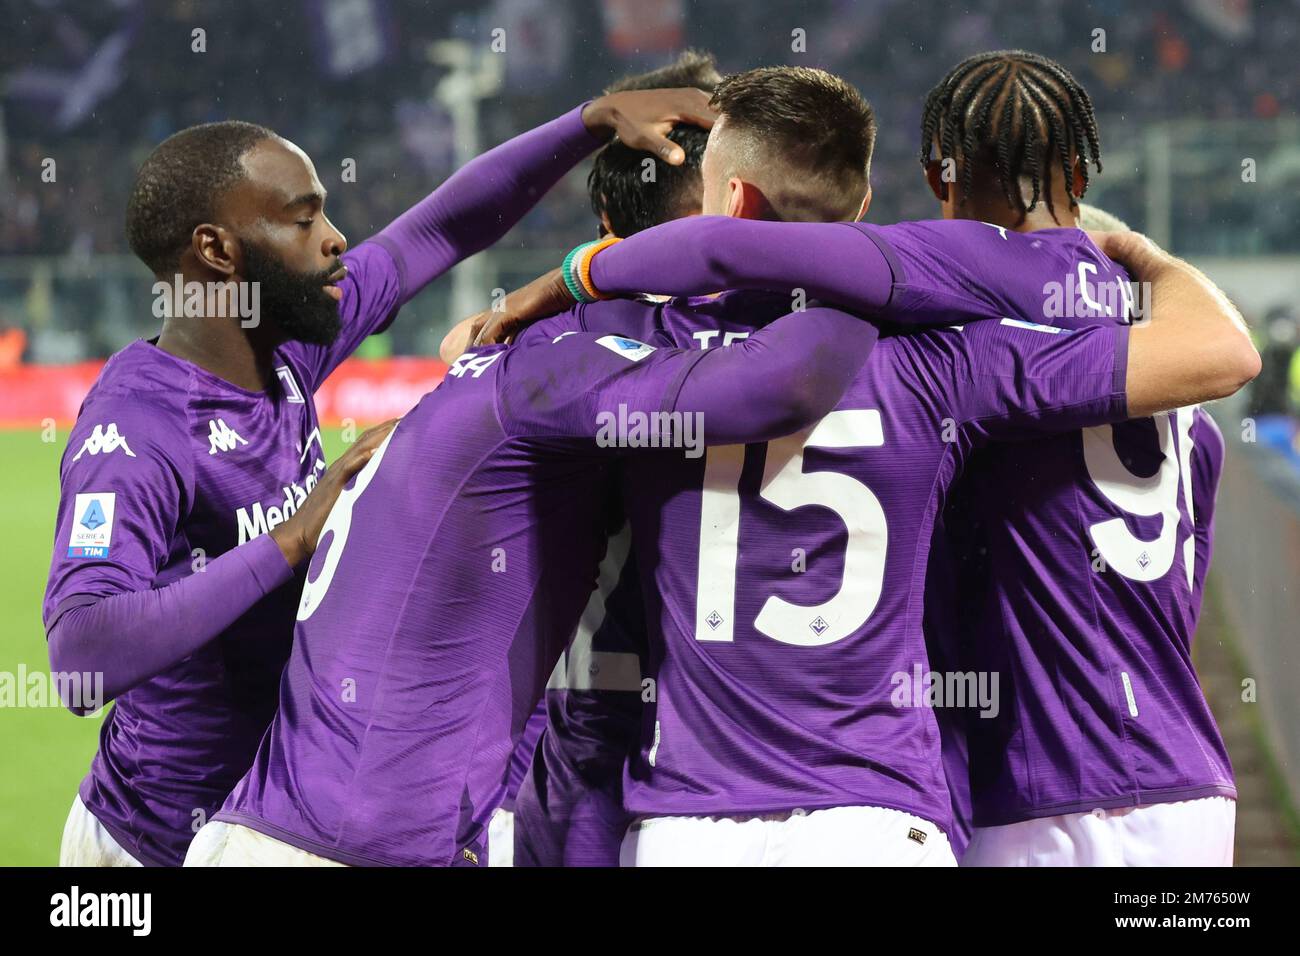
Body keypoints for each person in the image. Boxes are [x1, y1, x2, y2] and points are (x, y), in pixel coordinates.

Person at [478, 63, 1256, 865]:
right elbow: (1227, 354)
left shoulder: (923, 302)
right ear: (1082, 173)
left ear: (936, 176)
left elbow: (720, 249)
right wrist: (1151, 260)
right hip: (1173, 772)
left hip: (1003, 782)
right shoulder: (1130, 360)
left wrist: (563, 283)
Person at [44, 86, 714, 867]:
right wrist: (292, 540)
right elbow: (81, 657)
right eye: (302, 220)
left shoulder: (284, 345)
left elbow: (441, 227)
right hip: (146, 843)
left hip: (267, 823)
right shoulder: (138, 427)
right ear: (218, 252)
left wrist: (590, 121)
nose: (335, 240)